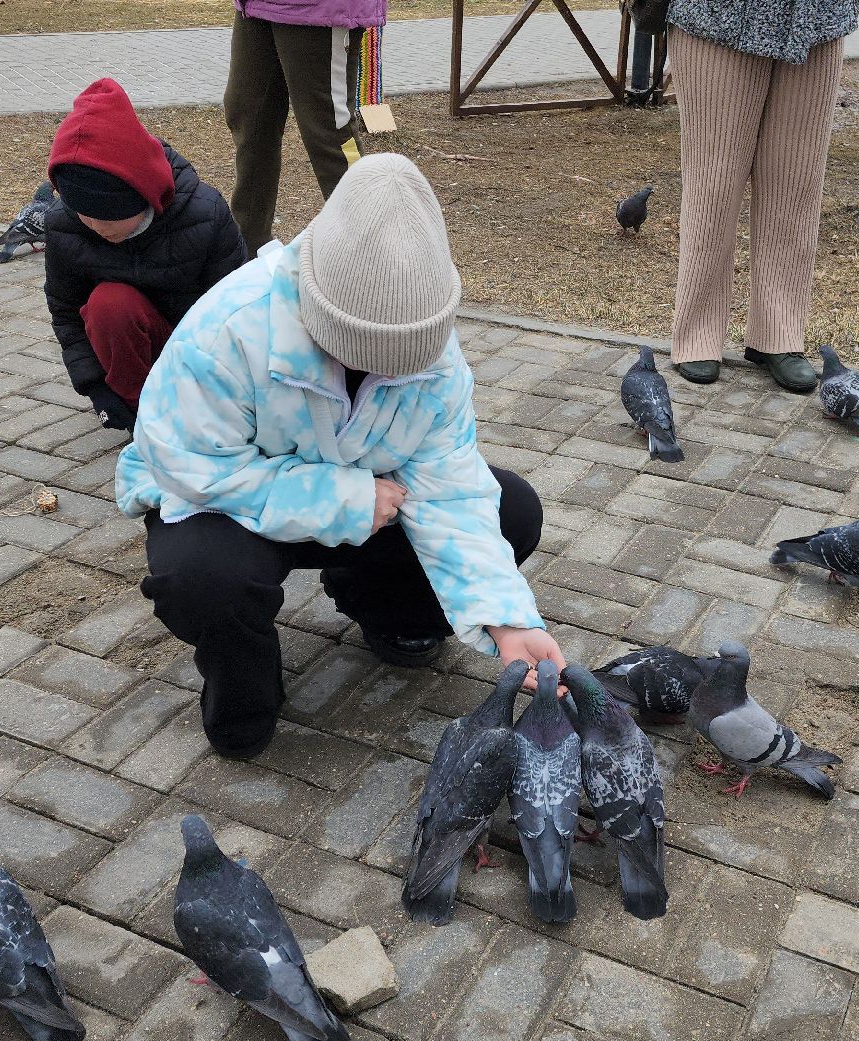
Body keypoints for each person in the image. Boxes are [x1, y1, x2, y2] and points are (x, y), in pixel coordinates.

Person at [116, 153, 564, 760]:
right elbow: (195, 468)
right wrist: (345, 500)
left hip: (370, 507)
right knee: (201, 576)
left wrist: (508, 620)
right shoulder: (228, 327)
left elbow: (451, 490)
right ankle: (246, 690)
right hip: (229, 509)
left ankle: (386, 610)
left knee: (513, 509)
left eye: (402, 361)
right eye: (362, 352)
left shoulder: (437, 356)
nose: (385, 373)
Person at [663, 0, 859, 393]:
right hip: (716, 17)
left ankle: (779, 335)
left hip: (818, 19)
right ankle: (698, 333)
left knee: (795, 187)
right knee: (713, 186)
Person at [44, 78, 249, 433]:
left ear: (143, 196)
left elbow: (239, 309)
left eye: (109, 216)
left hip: (202, 354)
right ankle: (145, 416)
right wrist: (96, 388)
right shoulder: (64, 226)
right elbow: (66, 312)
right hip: (132, 357)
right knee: (110, 304)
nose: (97, 226)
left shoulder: (204, 213)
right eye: (83, 214)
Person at [223, 0, 382, 252]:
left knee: (329, 134)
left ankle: (376, 251)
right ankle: (248, 251)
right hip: (257, 6)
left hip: (320, 10)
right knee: (248, 116)